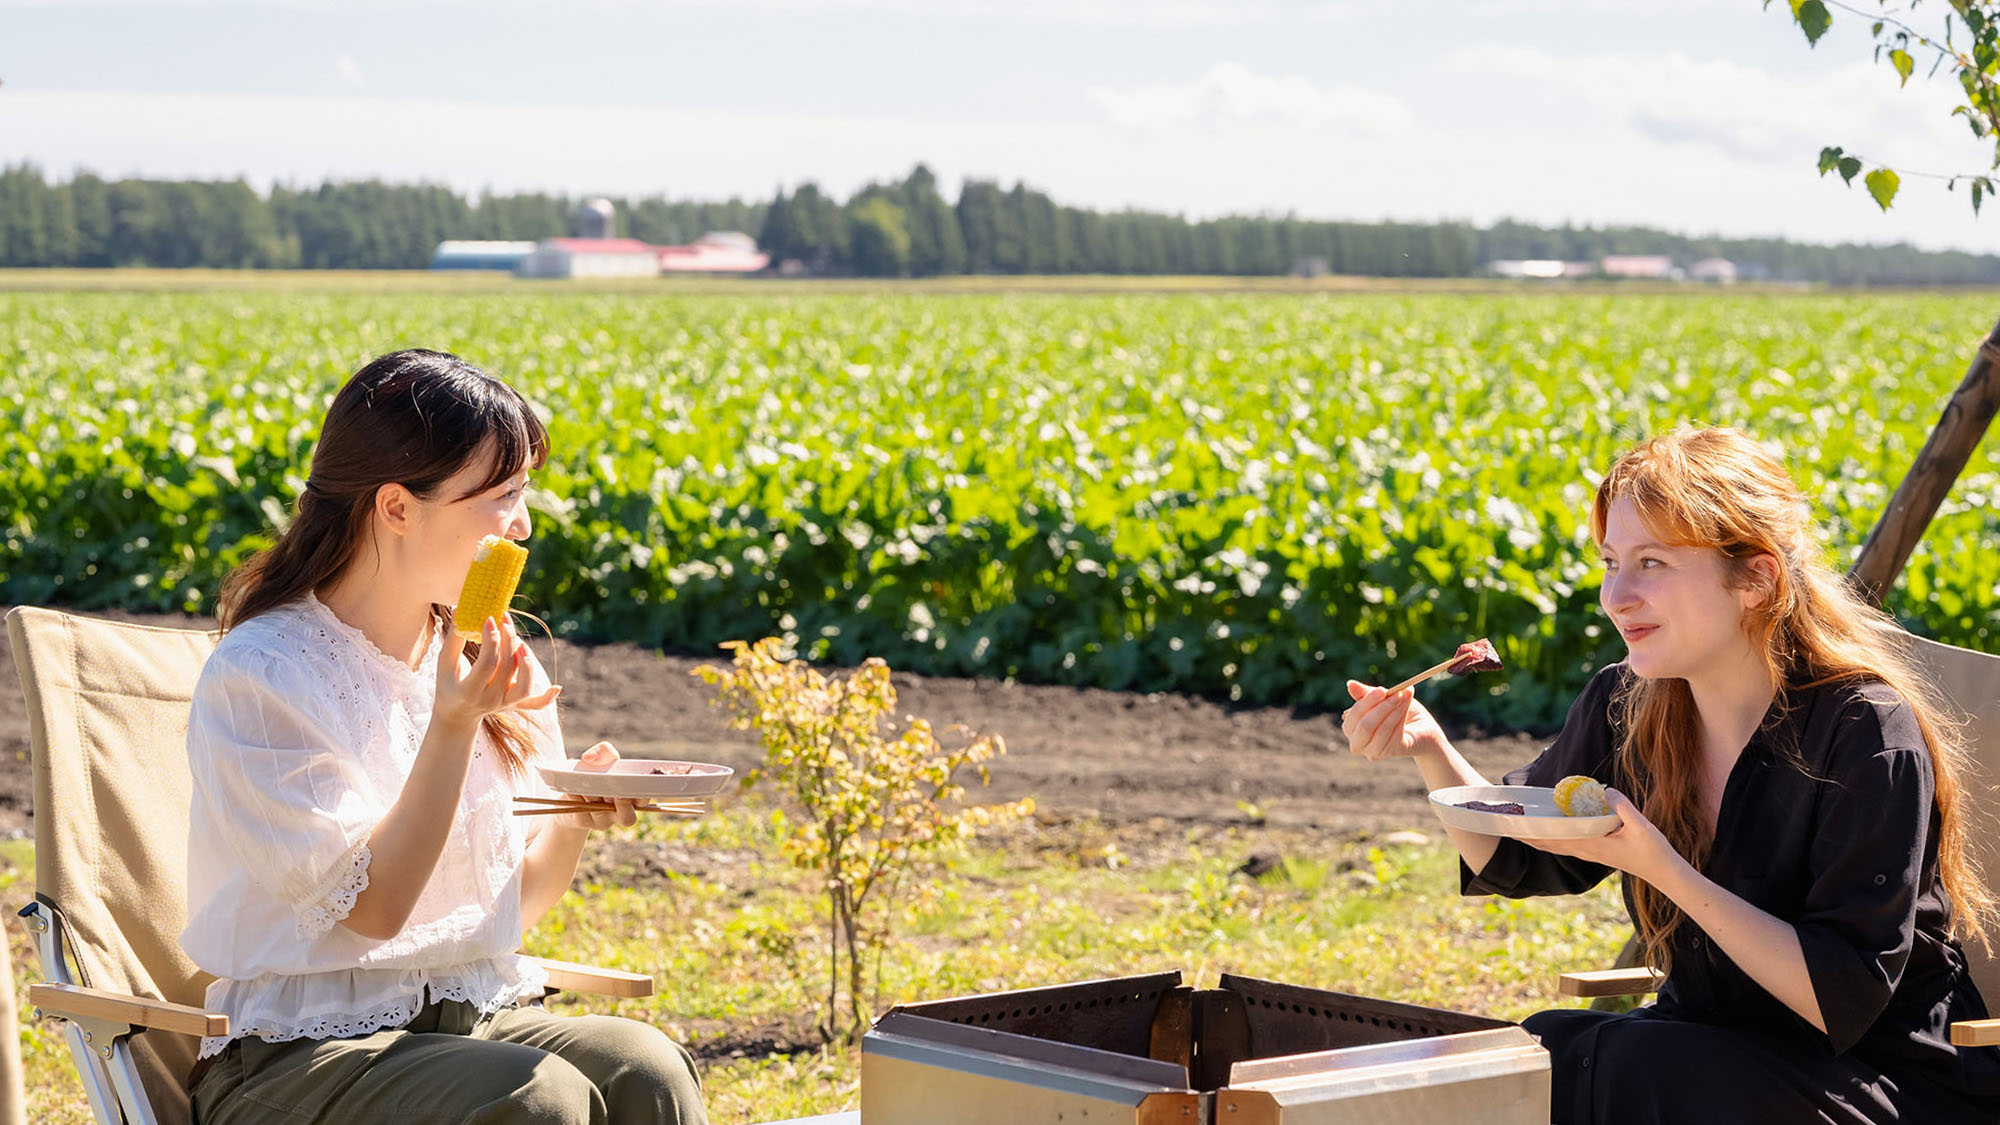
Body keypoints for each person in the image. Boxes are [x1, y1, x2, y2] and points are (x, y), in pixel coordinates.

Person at [1340, 427, 2000, 1124]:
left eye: (1651, 563)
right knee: (1541, 1048)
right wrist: (1429, 749)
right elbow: (1517, 857)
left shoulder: (1864, 730)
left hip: (1882, 1082)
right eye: (1609, 561)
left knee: (1638, 1065)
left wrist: (1663, 866)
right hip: (1707, 1055)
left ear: (1755, 577)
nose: (1616, 596)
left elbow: (1840, 994)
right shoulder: (1631, 703)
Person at [179, 349, 708, 1125]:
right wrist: (452, 723)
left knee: (646, 1067)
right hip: (294, 1057)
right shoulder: (263, 677)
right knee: (538, 1094)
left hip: (470, 1018)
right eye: (501, 495)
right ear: (396, 506)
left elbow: (511, 906)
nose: (523, 524)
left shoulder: (482, 653)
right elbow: (377, 908)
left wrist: (580, 819)